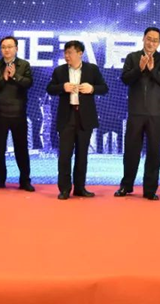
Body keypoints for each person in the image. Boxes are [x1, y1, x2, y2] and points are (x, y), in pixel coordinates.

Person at [46, 40, 108, 200]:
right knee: (65, 155)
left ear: (80, 53)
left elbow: (104, 88)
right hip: (66, 117)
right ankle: (64, 189)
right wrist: (62, 87)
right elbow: (50, 88)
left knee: (82, 155)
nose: (67, 56)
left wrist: (92, 88)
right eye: (65, 53)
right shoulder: (59, 71)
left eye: (70, 53)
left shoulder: (92, 69)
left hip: (84, 117)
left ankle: (80, 188)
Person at [115, 27, 160, 201]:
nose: (151, 43)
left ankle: (150, 190)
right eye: (149, 38)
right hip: (136, 112)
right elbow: (125, 79)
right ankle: (126, 185)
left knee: (154, 152)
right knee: (131, 151)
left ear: (159, 43)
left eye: (155, 40)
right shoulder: (133, 57)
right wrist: (139, 69)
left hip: (155, 113)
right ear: (143, 38)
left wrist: (153, 70)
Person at [0, 36, 35, 192]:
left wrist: (15, 76)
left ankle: (25, 181)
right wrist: (3, 78)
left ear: (16, 49)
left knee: (22, 149)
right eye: (4, 47)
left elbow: (28, 83)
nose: (6, 50)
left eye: (10, 47)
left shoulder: (24, 65)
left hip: (18, 113)